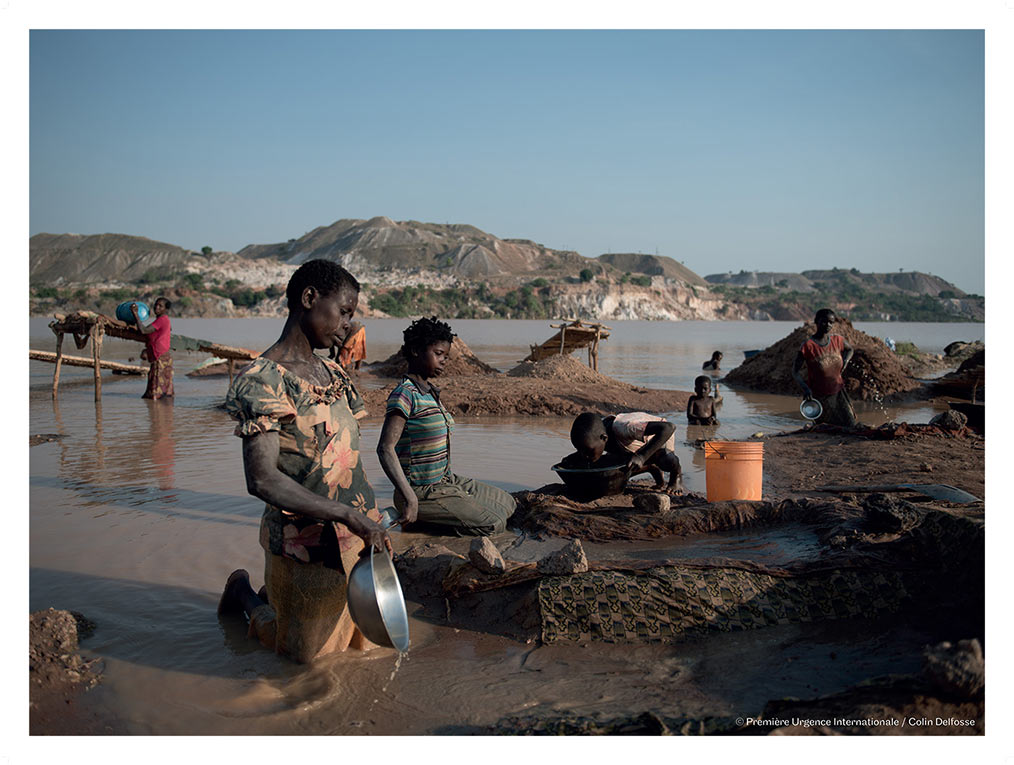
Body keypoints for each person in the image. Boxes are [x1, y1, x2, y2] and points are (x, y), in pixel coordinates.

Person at [217, 260, 391, 664]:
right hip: (305, 543)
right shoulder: (262, 381)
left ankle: (269, 598)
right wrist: (346, 515)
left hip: (360, 536)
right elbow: (261, 479)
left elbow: (349, 459)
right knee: (301, 658)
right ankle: (244, 593)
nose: (349, 324)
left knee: (358, 642)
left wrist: (369, 520)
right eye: (344, 311)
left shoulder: (334, 373)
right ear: (309, 298)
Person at [377, 317, 516, 536]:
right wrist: (410, 497)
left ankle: (436, 517)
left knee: (508, 503)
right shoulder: (405, 394)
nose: (444, 361)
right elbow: (385, 448)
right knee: (493, 523)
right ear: (415, 351)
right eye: (438, 354)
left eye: (446, 356)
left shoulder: (431, 393)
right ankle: (419, 524)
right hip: (419, 491)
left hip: (446, 481)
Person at [564, 411, 684, 495]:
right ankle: (650, 466)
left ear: (604, 438)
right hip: (633, 445)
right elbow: (586, 448)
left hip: (660, 438)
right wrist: (571, 460)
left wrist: (642, 457)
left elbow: (668, 427)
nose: (584, 455)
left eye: (586, 451)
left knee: (666, 460)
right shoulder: (597, 435)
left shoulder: (625, 427)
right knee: (616, 472)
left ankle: (676, 475)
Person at [791, 308, 858, 427]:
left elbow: (850, 349)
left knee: (850, 425)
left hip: (839, 393)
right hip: (820, 396)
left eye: (831, 322)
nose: (828, 325)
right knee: (827, 429)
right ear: (816, 322)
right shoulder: (808, 346)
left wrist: (845, 361)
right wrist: (806, 389)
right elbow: (795, 372)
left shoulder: (837, 340)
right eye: (824, 321)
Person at [131, 297, 173, 399]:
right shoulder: (161, 320)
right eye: (156, 305)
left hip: (160, 357)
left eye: (160, 306)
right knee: (160, 389)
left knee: (156, 391)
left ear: (166, 309)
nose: (156, 308)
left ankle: (157, 413)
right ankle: (159, 411)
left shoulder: (162, 320)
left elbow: (144, 331)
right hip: (160, 356)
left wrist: (136, 315)